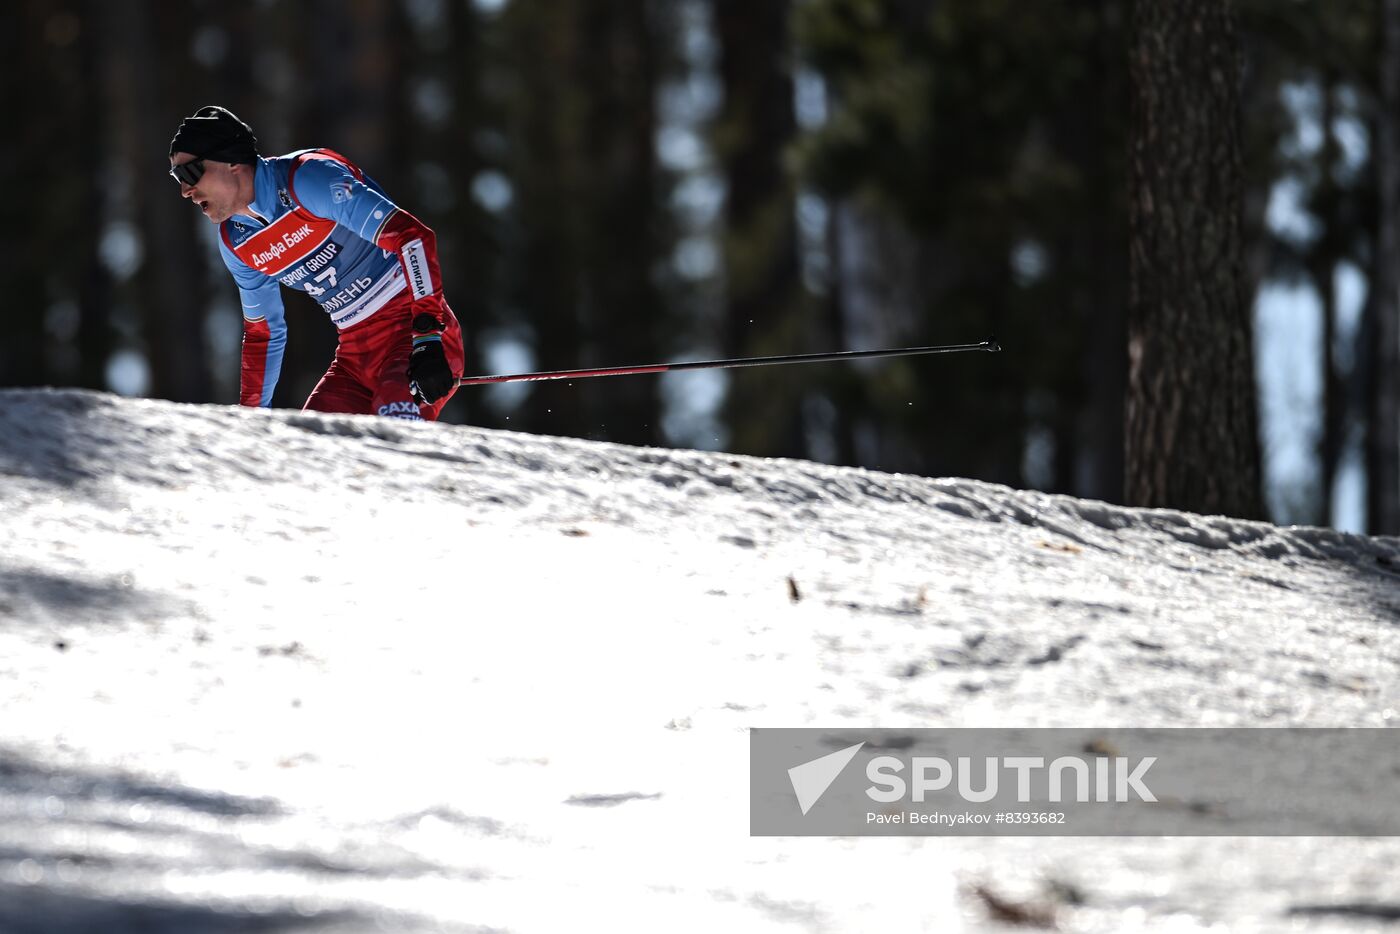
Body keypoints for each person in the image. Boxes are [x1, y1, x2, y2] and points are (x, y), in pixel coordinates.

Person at [168, 105, 463, 421]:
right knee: (310, 452)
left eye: (190, 173)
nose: (185, 190)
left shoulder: (308, 179)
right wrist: (250, 421)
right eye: (177, 177)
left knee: (393, 440)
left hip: (415, 339)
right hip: (353, 359)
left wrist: (428, 337)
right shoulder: (235, 241)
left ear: (232, 162)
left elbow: (412, 237)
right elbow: (264, 332)